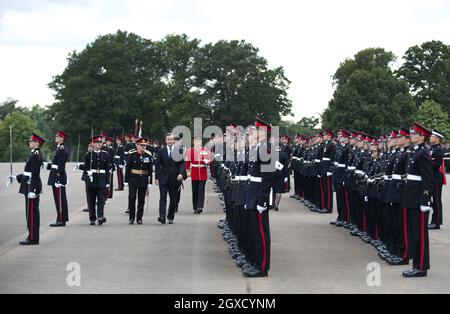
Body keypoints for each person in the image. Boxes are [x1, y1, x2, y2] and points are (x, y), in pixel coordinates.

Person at [402, 123, 433, 278]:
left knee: (420, 234)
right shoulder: (414, 152)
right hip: (410, 197)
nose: (411, 136)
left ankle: (421, 267)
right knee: (413, 233)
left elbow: (428, 179)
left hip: (418, 200)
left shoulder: (424, 153)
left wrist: (425, 200)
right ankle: (416, 264)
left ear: (422, 136)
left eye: (414, 134)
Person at [8, 133, 45, 245]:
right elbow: (27, 172)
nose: (29, 142)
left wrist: (33, 190)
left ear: (37, 143)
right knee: (30, 212)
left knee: (32, 213)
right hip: (29, 184)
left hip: (31, 186)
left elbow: (35, 174)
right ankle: (32, 235)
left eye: (31, 141)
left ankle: (33, 238)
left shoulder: (36, 155)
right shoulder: (33, 154)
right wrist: (16, 177)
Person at [77, 135, 111, 226]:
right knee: (91, 199)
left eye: (100, 142)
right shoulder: (88, 155)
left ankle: (100, 216)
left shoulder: (105, 154)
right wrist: (88, 172)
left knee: (101, 199)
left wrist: (107, 182)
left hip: (101, 179)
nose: (99, 144)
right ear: (93, 143)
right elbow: (86, 167)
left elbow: (107, 169)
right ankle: (92, 217)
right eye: (97, 142)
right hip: (91, 179)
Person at [155, 133, 186, 225]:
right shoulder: (161, 151)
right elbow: (157, 165)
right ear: (166, 141)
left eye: (171, 139)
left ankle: (170, 216)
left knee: (173, 198)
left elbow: (182, 164)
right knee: (162, 197)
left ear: (174, 141)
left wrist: (181, 174)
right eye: (168, 139)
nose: (170, 141)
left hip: (175, 178)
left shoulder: (179, 151)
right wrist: (156, 177)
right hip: (163, 178)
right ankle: (162, 216)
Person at [125, 138, 153, 225]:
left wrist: (150, 182)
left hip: (143, 180)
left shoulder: (148, 155)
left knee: (141, 200)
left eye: (144, 145)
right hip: (133, 179)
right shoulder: (132, 154)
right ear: (137, 145)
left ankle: (139, 218)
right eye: (141, 145)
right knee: (132, 198)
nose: (143, 147)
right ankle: (131, 217)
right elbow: (128, 168)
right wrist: (126, 181)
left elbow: (150, 170)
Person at [45, 129, 70, 227]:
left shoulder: (62, 149)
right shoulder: (59, 148)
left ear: (62, 138)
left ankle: (61, 219)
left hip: (57, 176)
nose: (55, 138)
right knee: (59, 198)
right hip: (55, 174)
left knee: (59, 198)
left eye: (57, 136)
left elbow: (61, 166)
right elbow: (56, 163)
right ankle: (61, 218)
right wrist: (48, 165)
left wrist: (58, 178)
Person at [185, 136, 212, 214]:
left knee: (201, 190)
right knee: (195, 191)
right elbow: (187, 163)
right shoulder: (190, 151)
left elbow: (210, 160)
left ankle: (200, 206)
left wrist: (208, 161)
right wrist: (188, 174)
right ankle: (195, 206)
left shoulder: (205, 150)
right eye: (196, 141)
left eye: (199, 141)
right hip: (194, 172)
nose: (197, 143)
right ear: (193, 142)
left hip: (203, 172)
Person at [429, 129, 446, 230]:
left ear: (437, 138)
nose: (430, 137)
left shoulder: (438, 149)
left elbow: (436, 165)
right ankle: (433, 221)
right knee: (432, 201)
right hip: (432, 177)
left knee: (436, 201)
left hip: (436, 178)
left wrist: (427, 163)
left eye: (432, 136)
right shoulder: (432, 148)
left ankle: (437, 222)